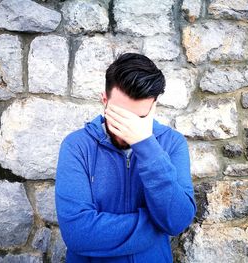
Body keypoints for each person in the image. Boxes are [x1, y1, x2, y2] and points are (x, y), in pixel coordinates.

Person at [55, 53, 196, 263]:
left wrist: (146, 145)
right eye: (120, 116)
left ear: (153, 106)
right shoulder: (77, 146)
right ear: (104, 100)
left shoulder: (172, 143)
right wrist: (155, 226)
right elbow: (78, 233)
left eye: (139, 118)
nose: (127, 129)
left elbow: (176, 221)